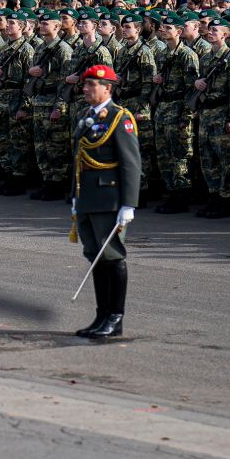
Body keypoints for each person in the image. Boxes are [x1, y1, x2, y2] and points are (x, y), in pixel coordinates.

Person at [69, 64, 141, 341]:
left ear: (107, 88)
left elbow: (131, 164)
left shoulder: (119, 118)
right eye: (85, 85)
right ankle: (101, 315)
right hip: (87, 196)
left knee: (111, 256)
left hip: (109, 198)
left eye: (91, 86)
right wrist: (74, 197)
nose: (85, 90)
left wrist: (129, 204)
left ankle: (115, 317)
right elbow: (77, 159)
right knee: (95, 256)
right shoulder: (86, 115)